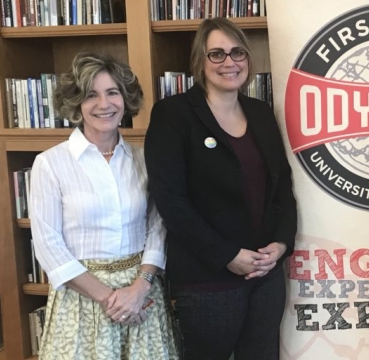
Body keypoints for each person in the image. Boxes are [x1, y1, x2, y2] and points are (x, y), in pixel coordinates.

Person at [144, 18, 297, 360]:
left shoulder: (261, 113)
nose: (229, 62)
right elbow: (171, 201)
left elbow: (282, 188)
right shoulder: (173, 115)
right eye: (217, 54)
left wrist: (282, 244)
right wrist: (227, 255)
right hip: (208, 278)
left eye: (237, 52)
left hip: (265, 274)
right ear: (199, 61)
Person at [30, 53, 177, 359]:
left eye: (113, 93)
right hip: (82, 300)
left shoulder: (143, 160)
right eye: (91, 95)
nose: (104, 104)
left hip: (142, 295)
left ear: (126, 99)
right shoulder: (50, 164)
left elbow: (158, 226)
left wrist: (140, 288)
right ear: (76, 103)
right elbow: (48, 246)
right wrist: (112, 300)